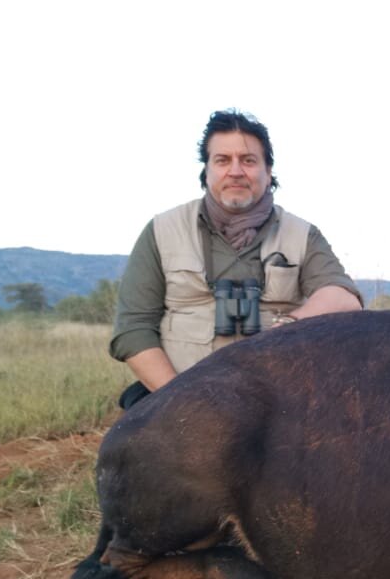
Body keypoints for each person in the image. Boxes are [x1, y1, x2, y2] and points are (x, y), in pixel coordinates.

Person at [110, 109, 362, 408]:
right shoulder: (161, 231)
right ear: (207, 171)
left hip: (278, 405)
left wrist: (292, 325)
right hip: (175, 400)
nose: (236, 171)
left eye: (248, 160)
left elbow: (345, 298)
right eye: (222, 160)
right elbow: (133, 330)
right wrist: (179, 402)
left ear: (268, 172)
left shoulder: (303, 234)